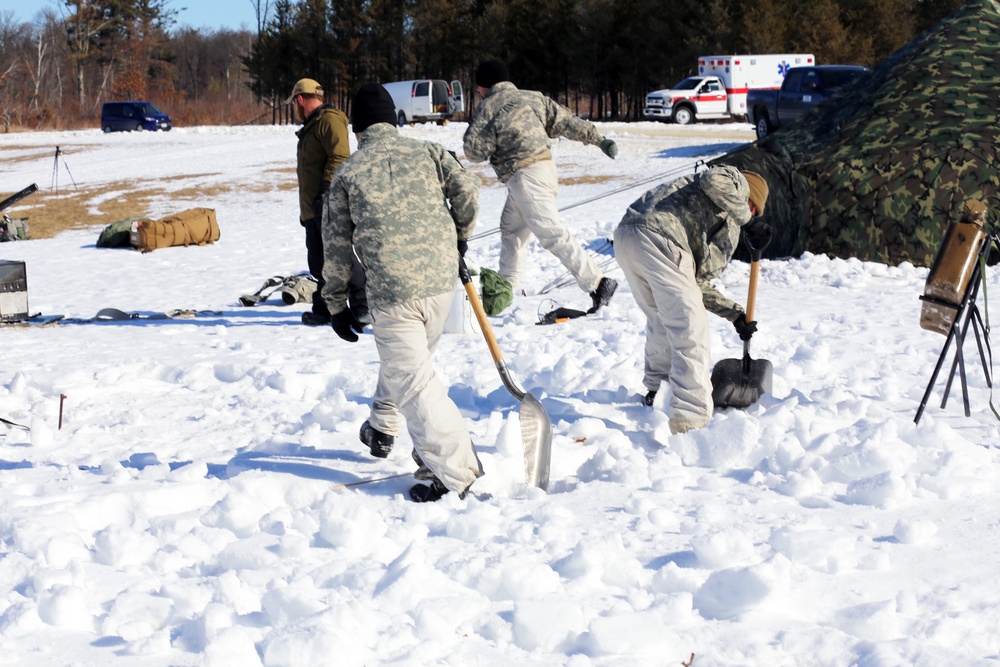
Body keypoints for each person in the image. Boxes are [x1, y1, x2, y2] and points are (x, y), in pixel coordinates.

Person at [321, 83, 484, 503]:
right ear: (395, 119)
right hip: (441, 285)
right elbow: (468, 191)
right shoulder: (429, 151)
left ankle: (455, 473)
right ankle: (382, 426)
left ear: (356, 128)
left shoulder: (348, 174)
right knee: (407, 365)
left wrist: (335, 304)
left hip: (394, 295)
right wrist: (460, 236)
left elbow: (336, 248)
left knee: (415, 382)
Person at [612, 165, 770, 434]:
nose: (749, 216)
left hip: (628, 236)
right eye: (753, 211)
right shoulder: (735, 182)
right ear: (750, 204)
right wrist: (749, 222)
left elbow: (693, 283)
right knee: (690, 328)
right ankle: (691, 421)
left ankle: (656, 390)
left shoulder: (703, 207)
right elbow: (713, 178)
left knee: (662, 319)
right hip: (661, 238)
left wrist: (734, 313)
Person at [463, 60, 619, 313]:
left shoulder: (488, 107)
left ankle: (598, 283)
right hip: (540, 171)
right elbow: (567, 122)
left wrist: (493, 141)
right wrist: (599, 140)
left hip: (525, 178)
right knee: (511, 231)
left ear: (483, 86)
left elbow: (473, 150)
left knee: (552, 234)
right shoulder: (533, 98)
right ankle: (505, 292)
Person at [287, 77, 368, 326]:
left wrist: (325, 191)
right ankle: (324, 309)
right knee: (319, 261)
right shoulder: (313, 125)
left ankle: (362, 307)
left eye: (294, 103)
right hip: (313, 209)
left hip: (328, 205)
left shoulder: (329, 120)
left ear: (300, 100)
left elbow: (340, 156)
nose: (294, 108)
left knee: (342, 258)